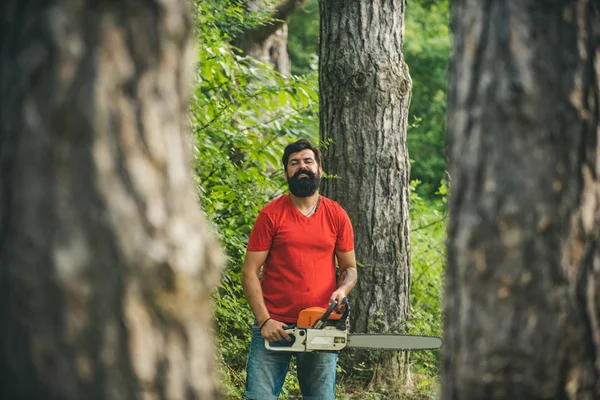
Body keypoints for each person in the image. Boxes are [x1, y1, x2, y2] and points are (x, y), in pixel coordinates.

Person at [241, 138, 358, 400]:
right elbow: (249, 272)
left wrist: (342, 289)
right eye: (294, 163)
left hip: (321, 323)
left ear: (319, 169)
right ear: (286, 173)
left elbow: (349, 268)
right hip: (274, 324)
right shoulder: (271, 215)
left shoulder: (337, 215)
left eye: (308, 161)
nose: (302, 167)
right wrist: (264, 321)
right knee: (258, 396)